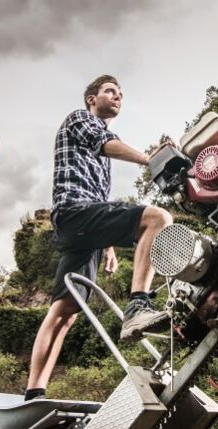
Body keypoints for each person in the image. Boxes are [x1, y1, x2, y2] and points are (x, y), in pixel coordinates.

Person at [24, 75, 172, 401]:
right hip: (74, 211)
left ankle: (33, 392)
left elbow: (101, 199)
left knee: (65, 312)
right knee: (158, 218)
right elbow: (106, 144)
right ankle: (138, 304)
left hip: (83, 229)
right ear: (92, 97)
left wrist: (107, 246)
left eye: (121, 94)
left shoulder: (103, 161)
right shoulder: (80, 119)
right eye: (110, 92)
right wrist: (151, 158)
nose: (117, 97)